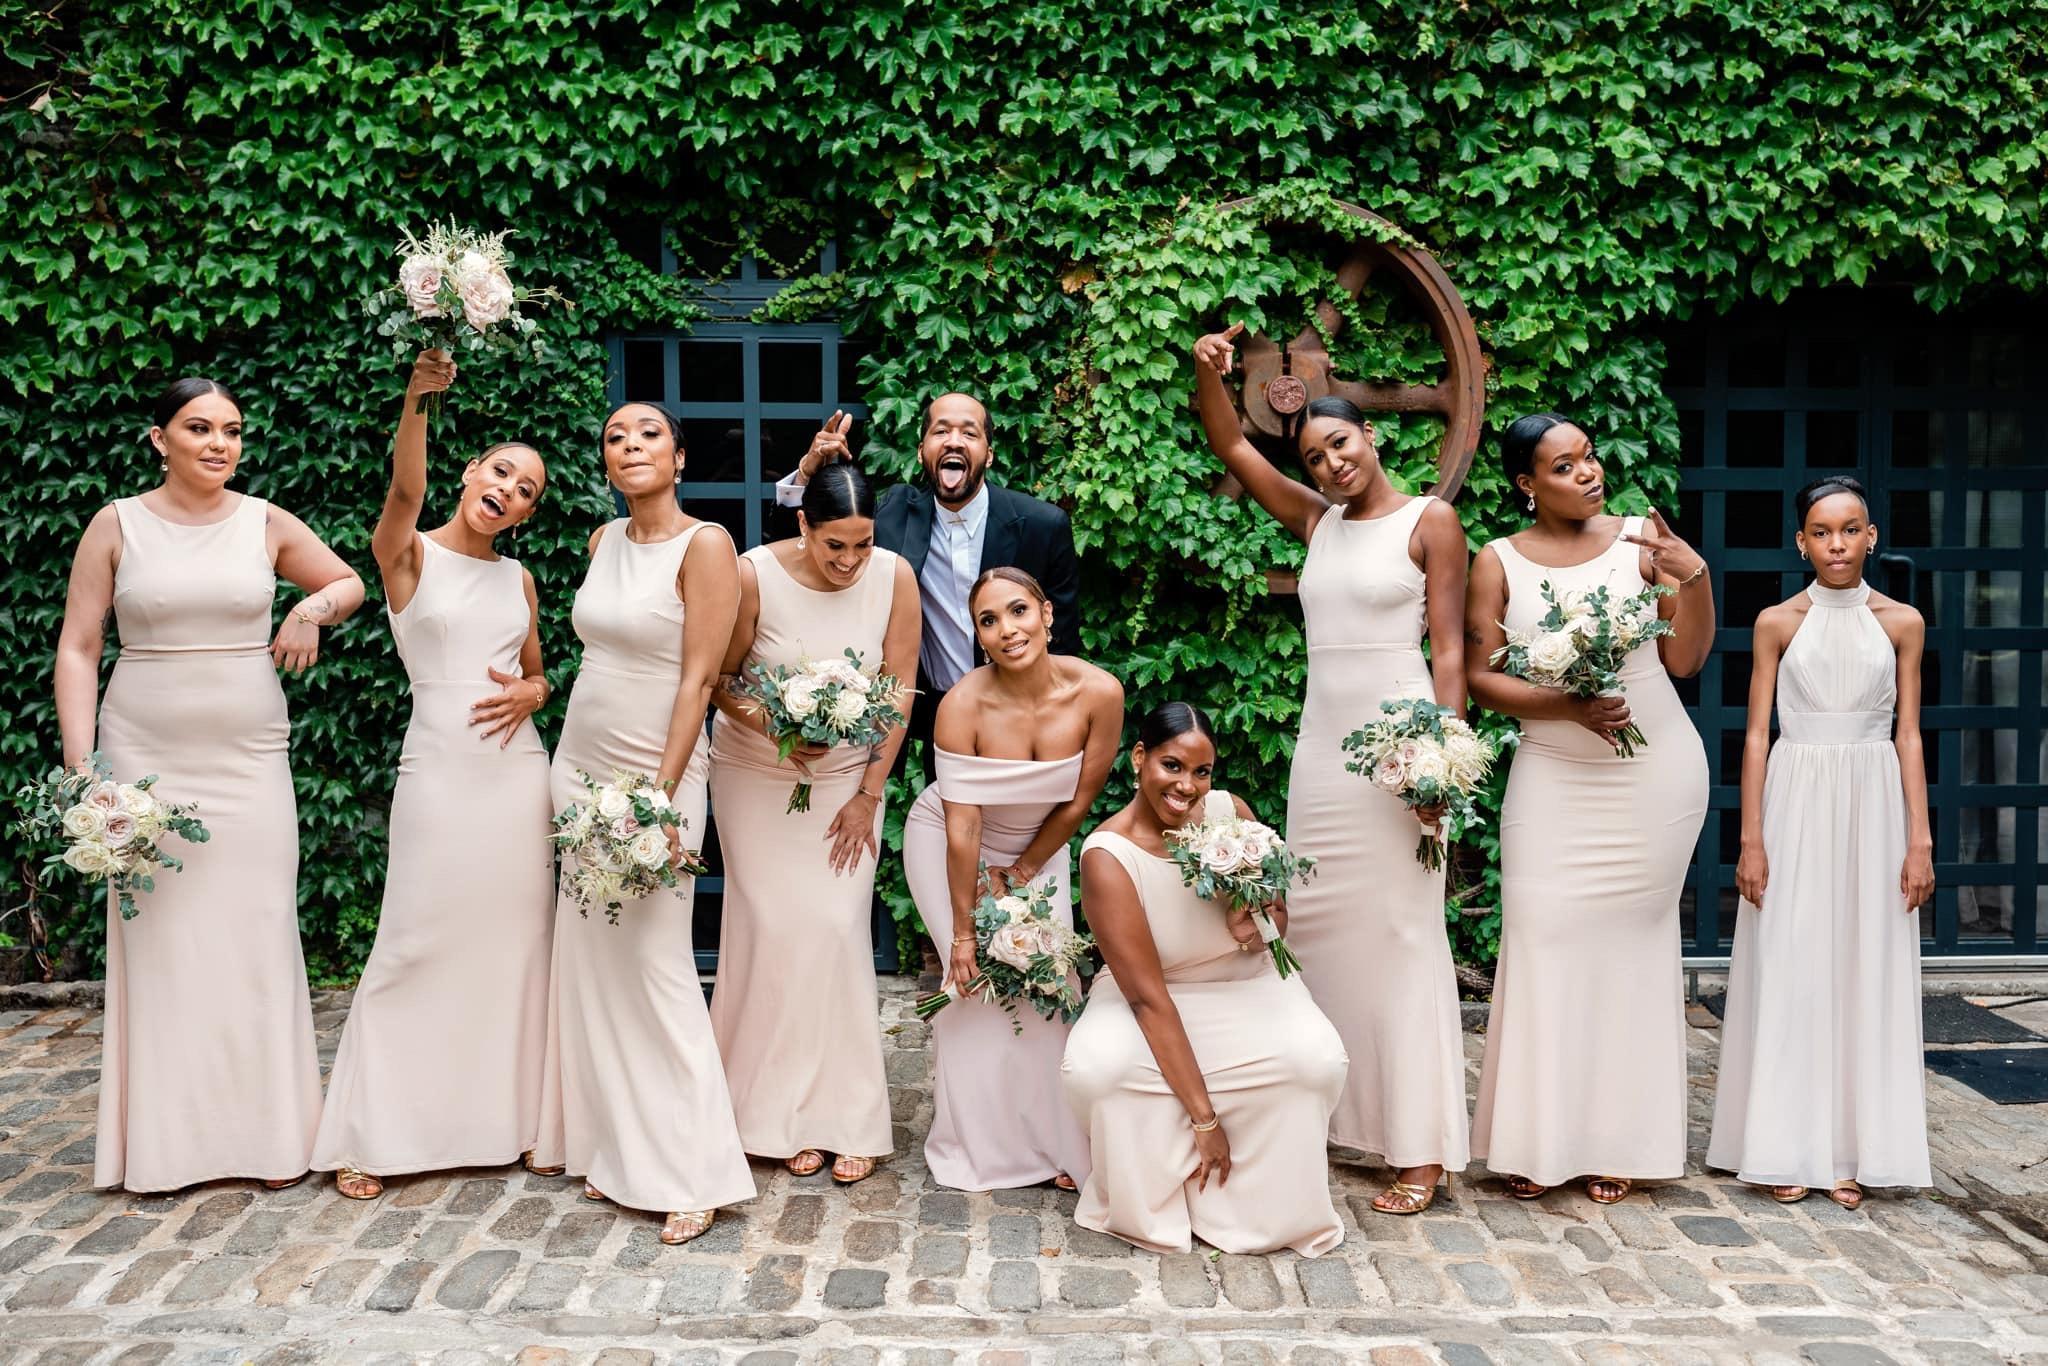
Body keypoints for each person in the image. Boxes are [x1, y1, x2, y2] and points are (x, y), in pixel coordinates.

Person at [54, 377, 365, 1192]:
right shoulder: (116, 523)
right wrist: (83, 771)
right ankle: (169, 1148)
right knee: (164, 943)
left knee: (257, 931)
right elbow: (80, 646)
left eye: (232, 429)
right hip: (144, 755)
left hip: (249, 757)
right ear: (160, 439)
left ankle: (269, 1140)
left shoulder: (265, 522)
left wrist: (308, 612)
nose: (220, 443)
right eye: (199, 428)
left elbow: (348, 583)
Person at [1191, 326, 1471, 1214]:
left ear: (1371, 436)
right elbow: (1232, 445)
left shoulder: (1431, 522)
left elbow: (1451, 651)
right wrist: (1207, 372)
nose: (1330, 464)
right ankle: (1343, 1121)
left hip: (1399, 754)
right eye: (1314, 457)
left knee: (1404, 939)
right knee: (1316, 935)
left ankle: (1419, 1149)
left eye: (1340, 444)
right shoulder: (1317, 523)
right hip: (1323, 754)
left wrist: (1440, 767)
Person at [311, 350, 555, 1200]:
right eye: (502, 472)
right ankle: (372, 1132)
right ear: (470, 471)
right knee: (413, 941)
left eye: (527, 491)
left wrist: (534, 691)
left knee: (515, 948)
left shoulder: (519, 578)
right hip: (439, 773)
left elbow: (539, 674)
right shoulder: (407, 554)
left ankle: (514, 1123)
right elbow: (404, 492)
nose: (510, 491)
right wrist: (418, 396)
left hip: (516, 779)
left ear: (525, 515)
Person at [1464, 413, 1714, 1205]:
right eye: (1565, 465)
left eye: (1590, 458)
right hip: (1553, 773)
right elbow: (1481, 677)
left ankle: (1619, 1142)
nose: (1589, 473)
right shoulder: (1497, 559)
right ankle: (1534, 1140)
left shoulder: (1642, 541)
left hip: (1653, 776)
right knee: (1541, 937)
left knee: (1628, 951)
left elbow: (1685, 659)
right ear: (1526, 484)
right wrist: (1566, 706)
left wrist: (1695, 578)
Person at [530, 400, 754, 1245]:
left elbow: (699, 682)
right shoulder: (603, 540)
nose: (629, 445)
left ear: (680, 457)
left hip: (658, 772)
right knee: (594, 961)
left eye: (648, 434)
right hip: (578, 766)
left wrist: (659, 799)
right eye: (615, 436)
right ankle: (613, 1148)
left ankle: (693, 1169)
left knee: (657, 962)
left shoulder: (707, 546)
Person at [1707, 476, 1934, 1210]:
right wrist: (1751, 839)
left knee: (1865, 962)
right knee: (1794, 960)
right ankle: (1784, 1143)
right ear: (1801, 542)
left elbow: (1908, 734)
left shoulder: (1902, 622)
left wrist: (1920, 840)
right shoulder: (1777, 621)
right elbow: (1754, 735)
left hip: (1873, 800)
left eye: (1851, 529)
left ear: (1872, 536)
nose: (1838, 544)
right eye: (1822, 531)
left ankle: (1849, 1151)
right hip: (1796, 797)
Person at [1063, 701, 1348, 1255]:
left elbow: (1277, 923)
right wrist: (1204, 1120)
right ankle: (1153, 1200)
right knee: (1100, 1070)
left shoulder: (1230, 814)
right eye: (1171, 766)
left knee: (1314, 1061)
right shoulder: (1108, 855)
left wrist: (1256, 926)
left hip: (1247, 984)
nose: (1187, 787)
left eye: (1201, 771)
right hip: (1153, 997)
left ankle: (1268, 1208)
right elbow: (1148, 1000)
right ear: (1139, 757)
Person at [708, 463, 920, 1184]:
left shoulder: (894, 578)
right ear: (803, 524)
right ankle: (770, 1116)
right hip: (756, 774)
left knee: (834, 930)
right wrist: (774, 724)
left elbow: (898, 690)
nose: (850, 561)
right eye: (835, 545)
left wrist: (869, 793)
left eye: (863, 544)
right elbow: (720, 679)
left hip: (844, 783)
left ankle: (846, 1117)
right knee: (770, 933)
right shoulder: (753, 575)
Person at [903, 567, 1122, 1192]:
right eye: (989, 620)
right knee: (971, 989)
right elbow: (963, 825)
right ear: (978, 636)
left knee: (1048, 986)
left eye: (1019, 610)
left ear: (1047, 614)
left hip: (1040, 848)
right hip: (951, 845)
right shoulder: (962, 705)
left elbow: (1078, 802)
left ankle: (1054, 1142)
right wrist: (964, 934)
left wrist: (1024, 872)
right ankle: (976, 1145)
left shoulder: (1099, 693)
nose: (1007, 629)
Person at [775, 395, 1080, 773]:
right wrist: (806, 475)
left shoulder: (1042, 526)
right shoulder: (893, 515)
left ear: (989, 455)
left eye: (969, 433)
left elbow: (1063, 642)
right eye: (941, 432)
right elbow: (806, 550)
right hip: (942, 722)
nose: (954, 441)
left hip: (1025, 720)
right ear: (921, 452)